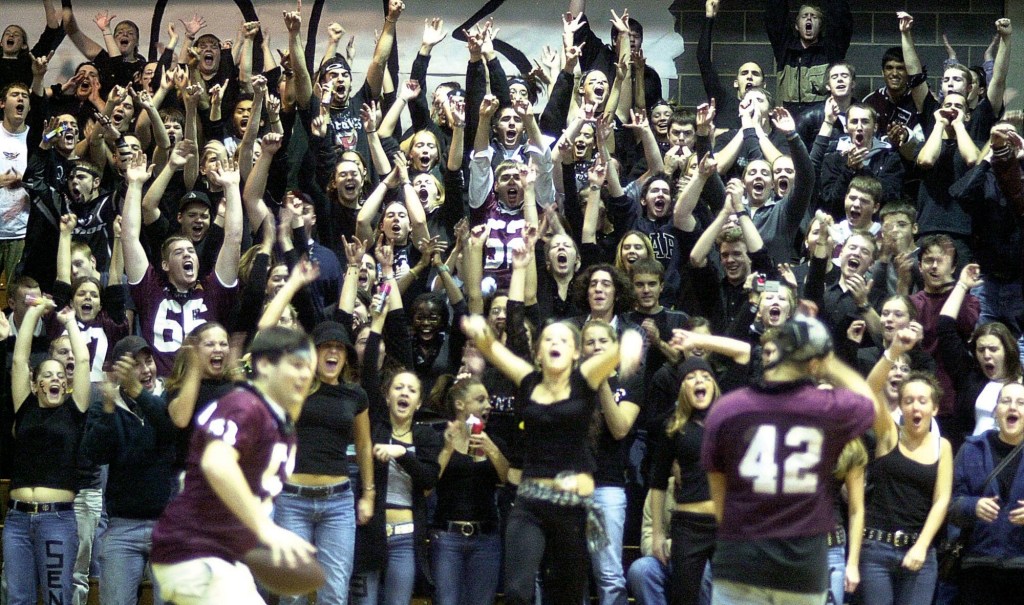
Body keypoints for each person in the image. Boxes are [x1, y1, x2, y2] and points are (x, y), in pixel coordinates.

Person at [462, 312, 641, 605]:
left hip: (571, 506)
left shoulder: (585, 378)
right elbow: (492, 348)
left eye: (563, 340)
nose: (555, 343)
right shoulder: (528, 379)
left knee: (566, 596)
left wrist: (631, 345)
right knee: (517, 591)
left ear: (575, 353)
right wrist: (478, 330)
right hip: (529, 503)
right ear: (538, 353)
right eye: (548, 339)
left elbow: (621, 347)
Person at [700, 316, 879, 603]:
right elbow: (871, 405)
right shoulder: (825, 409)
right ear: (812, 364)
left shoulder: (727, 410)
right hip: (801, 567)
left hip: (740, 562)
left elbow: (720, 500)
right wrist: (828, 361)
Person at [150, 327, 318, 605]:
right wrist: (267, 529)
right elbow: (216, 463)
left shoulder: (280, 421)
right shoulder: (244, 406)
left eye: (309, 367)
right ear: (265, 365)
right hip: (192, 549)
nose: (305, 374)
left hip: (223, 554)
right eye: (296, 365)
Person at [272, 320, 376, 605]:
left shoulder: (356, 395)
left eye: (339, 348)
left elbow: (363, 445)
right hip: (292, 499)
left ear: (346, 356)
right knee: (291, 594)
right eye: (326, 346)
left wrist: (369, 493)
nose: (333, 352)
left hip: (338, 502)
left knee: (335, 594)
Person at [5, 299, 91, 605]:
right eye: (48, 375)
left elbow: (83, 361)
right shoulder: (24, 407)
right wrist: (34, 311)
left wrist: (69, 321)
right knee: (18, 599)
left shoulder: (74, 410)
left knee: (57, 598)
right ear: (35, 383)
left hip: (56, 519)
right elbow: (19, 360)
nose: (56, 379)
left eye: (60, 376)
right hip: (17, 520)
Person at [858, 372, 953, 605]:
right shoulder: (889, 435)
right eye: (908, 401)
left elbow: (941, 500)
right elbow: (869, 388)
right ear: (900, 406)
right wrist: (892, 355)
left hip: (920, 551)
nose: (915, 407)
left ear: (934, 408)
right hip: (877, 550)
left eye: (922, 401)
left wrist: (921, 546)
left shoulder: (942, 447)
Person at [649, 356, 721, 605]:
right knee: (683, 598)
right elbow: (658, 482)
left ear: (714, 385)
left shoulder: (729, 422)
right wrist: (657, 534)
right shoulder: (673, 427)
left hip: (727, 525)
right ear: (682, 389)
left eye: (706, 376)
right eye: (691, 377)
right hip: (689, 527)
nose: (699, 381)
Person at [949, 381, 1024, 605]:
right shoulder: (971, 449)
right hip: (977, 565)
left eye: (1021, 403)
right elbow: (949, 505)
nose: (1013, 407)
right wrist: (973, 506)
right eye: (1006, 401)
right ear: (995, 410)